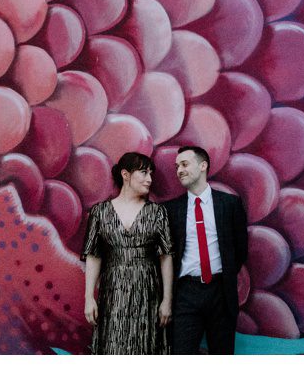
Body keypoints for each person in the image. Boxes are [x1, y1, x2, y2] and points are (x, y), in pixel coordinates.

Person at [81, 151, 174, 355]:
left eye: (151, 173)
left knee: (146, 347)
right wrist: (89, 297)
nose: (149, 179)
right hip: (113, 293)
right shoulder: (100, 212)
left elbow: (166, 257)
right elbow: (93, 255)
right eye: (143, 172)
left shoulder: (158, 212)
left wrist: (167, 300)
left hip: (148, 292)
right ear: (125, 174)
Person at [164, 144, 249, 354]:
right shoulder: (171, 210)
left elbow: (240, 249)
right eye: (177, 166)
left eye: (184, 164)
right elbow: (168, 254)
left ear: (203, 166)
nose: (179, 170)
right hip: (186, 293)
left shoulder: (229, 204)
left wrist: (224, 276)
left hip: (221, 291)